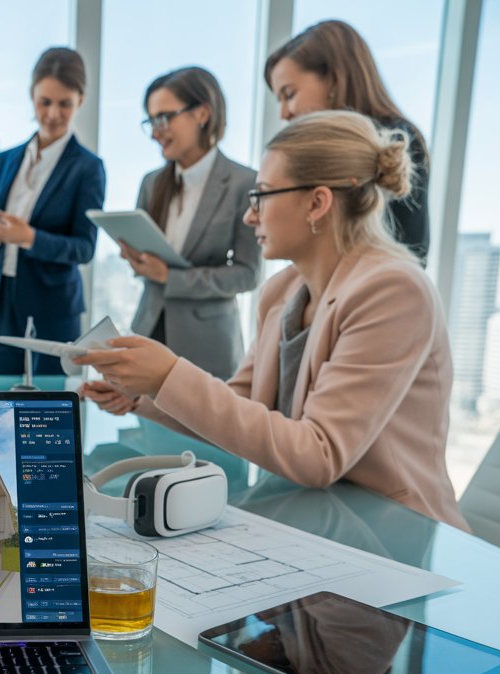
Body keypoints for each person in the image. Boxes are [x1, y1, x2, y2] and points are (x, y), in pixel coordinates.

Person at [75, 111, 467, 530]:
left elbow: (319, 455)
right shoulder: (282, 292)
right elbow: (241, 409)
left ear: (317, 202)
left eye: (260, 195)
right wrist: (146, 394)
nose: (249, 216)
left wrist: (169, 373)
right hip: (310, 517)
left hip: (390, 532)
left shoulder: (394, 291)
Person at [125, 67, 261, 381]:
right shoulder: (152, 183)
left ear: (201, 113)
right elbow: (147, 265)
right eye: (151, 122)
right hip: (149, 331)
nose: (156, 132)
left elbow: (247, 275)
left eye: (164, 118)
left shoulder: (244, 183)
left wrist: (170, 277)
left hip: (207, 346)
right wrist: (138, 261)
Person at [0, 47, 106, 376]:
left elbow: (85, 247)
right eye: (44, 102)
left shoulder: (87, 168)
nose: (52, 114)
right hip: (1, 301)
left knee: (50, 407)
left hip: (53, 307)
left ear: (81, 100)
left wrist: (29, 237)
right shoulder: (6, 159)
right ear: (31, 97)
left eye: (64, 104)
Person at [265, 19, 430, 264]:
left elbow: (412, 249)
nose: (284, 113)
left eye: (289, 94)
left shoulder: (395, 141)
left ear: (333, 79)